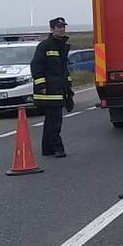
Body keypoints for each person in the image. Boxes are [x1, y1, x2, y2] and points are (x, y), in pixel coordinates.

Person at [31, 16, 74, 157]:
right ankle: (58, 148)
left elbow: (63, 71)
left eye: (63, 27)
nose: (62, 30)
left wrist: (69, 89)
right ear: (52, 29)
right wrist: (42, 85)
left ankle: (47, 149)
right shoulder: (45, 46)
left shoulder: (61, 46)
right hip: (49, 91)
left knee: (50, 121)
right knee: (55, 122)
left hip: (59, 90)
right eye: (59, 27)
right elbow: (36, 66)